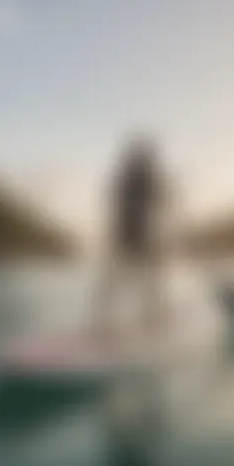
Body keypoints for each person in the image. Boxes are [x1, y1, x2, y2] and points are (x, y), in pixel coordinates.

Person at [93, 136, 170, 344]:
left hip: (125, 233)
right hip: (137, 234)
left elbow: (114, 203)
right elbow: (162, 201)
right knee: (147, 279)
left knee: (117, 282)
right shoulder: (147, 177)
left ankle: (105, 325)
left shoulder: (127, 178)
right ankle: (151, 320)